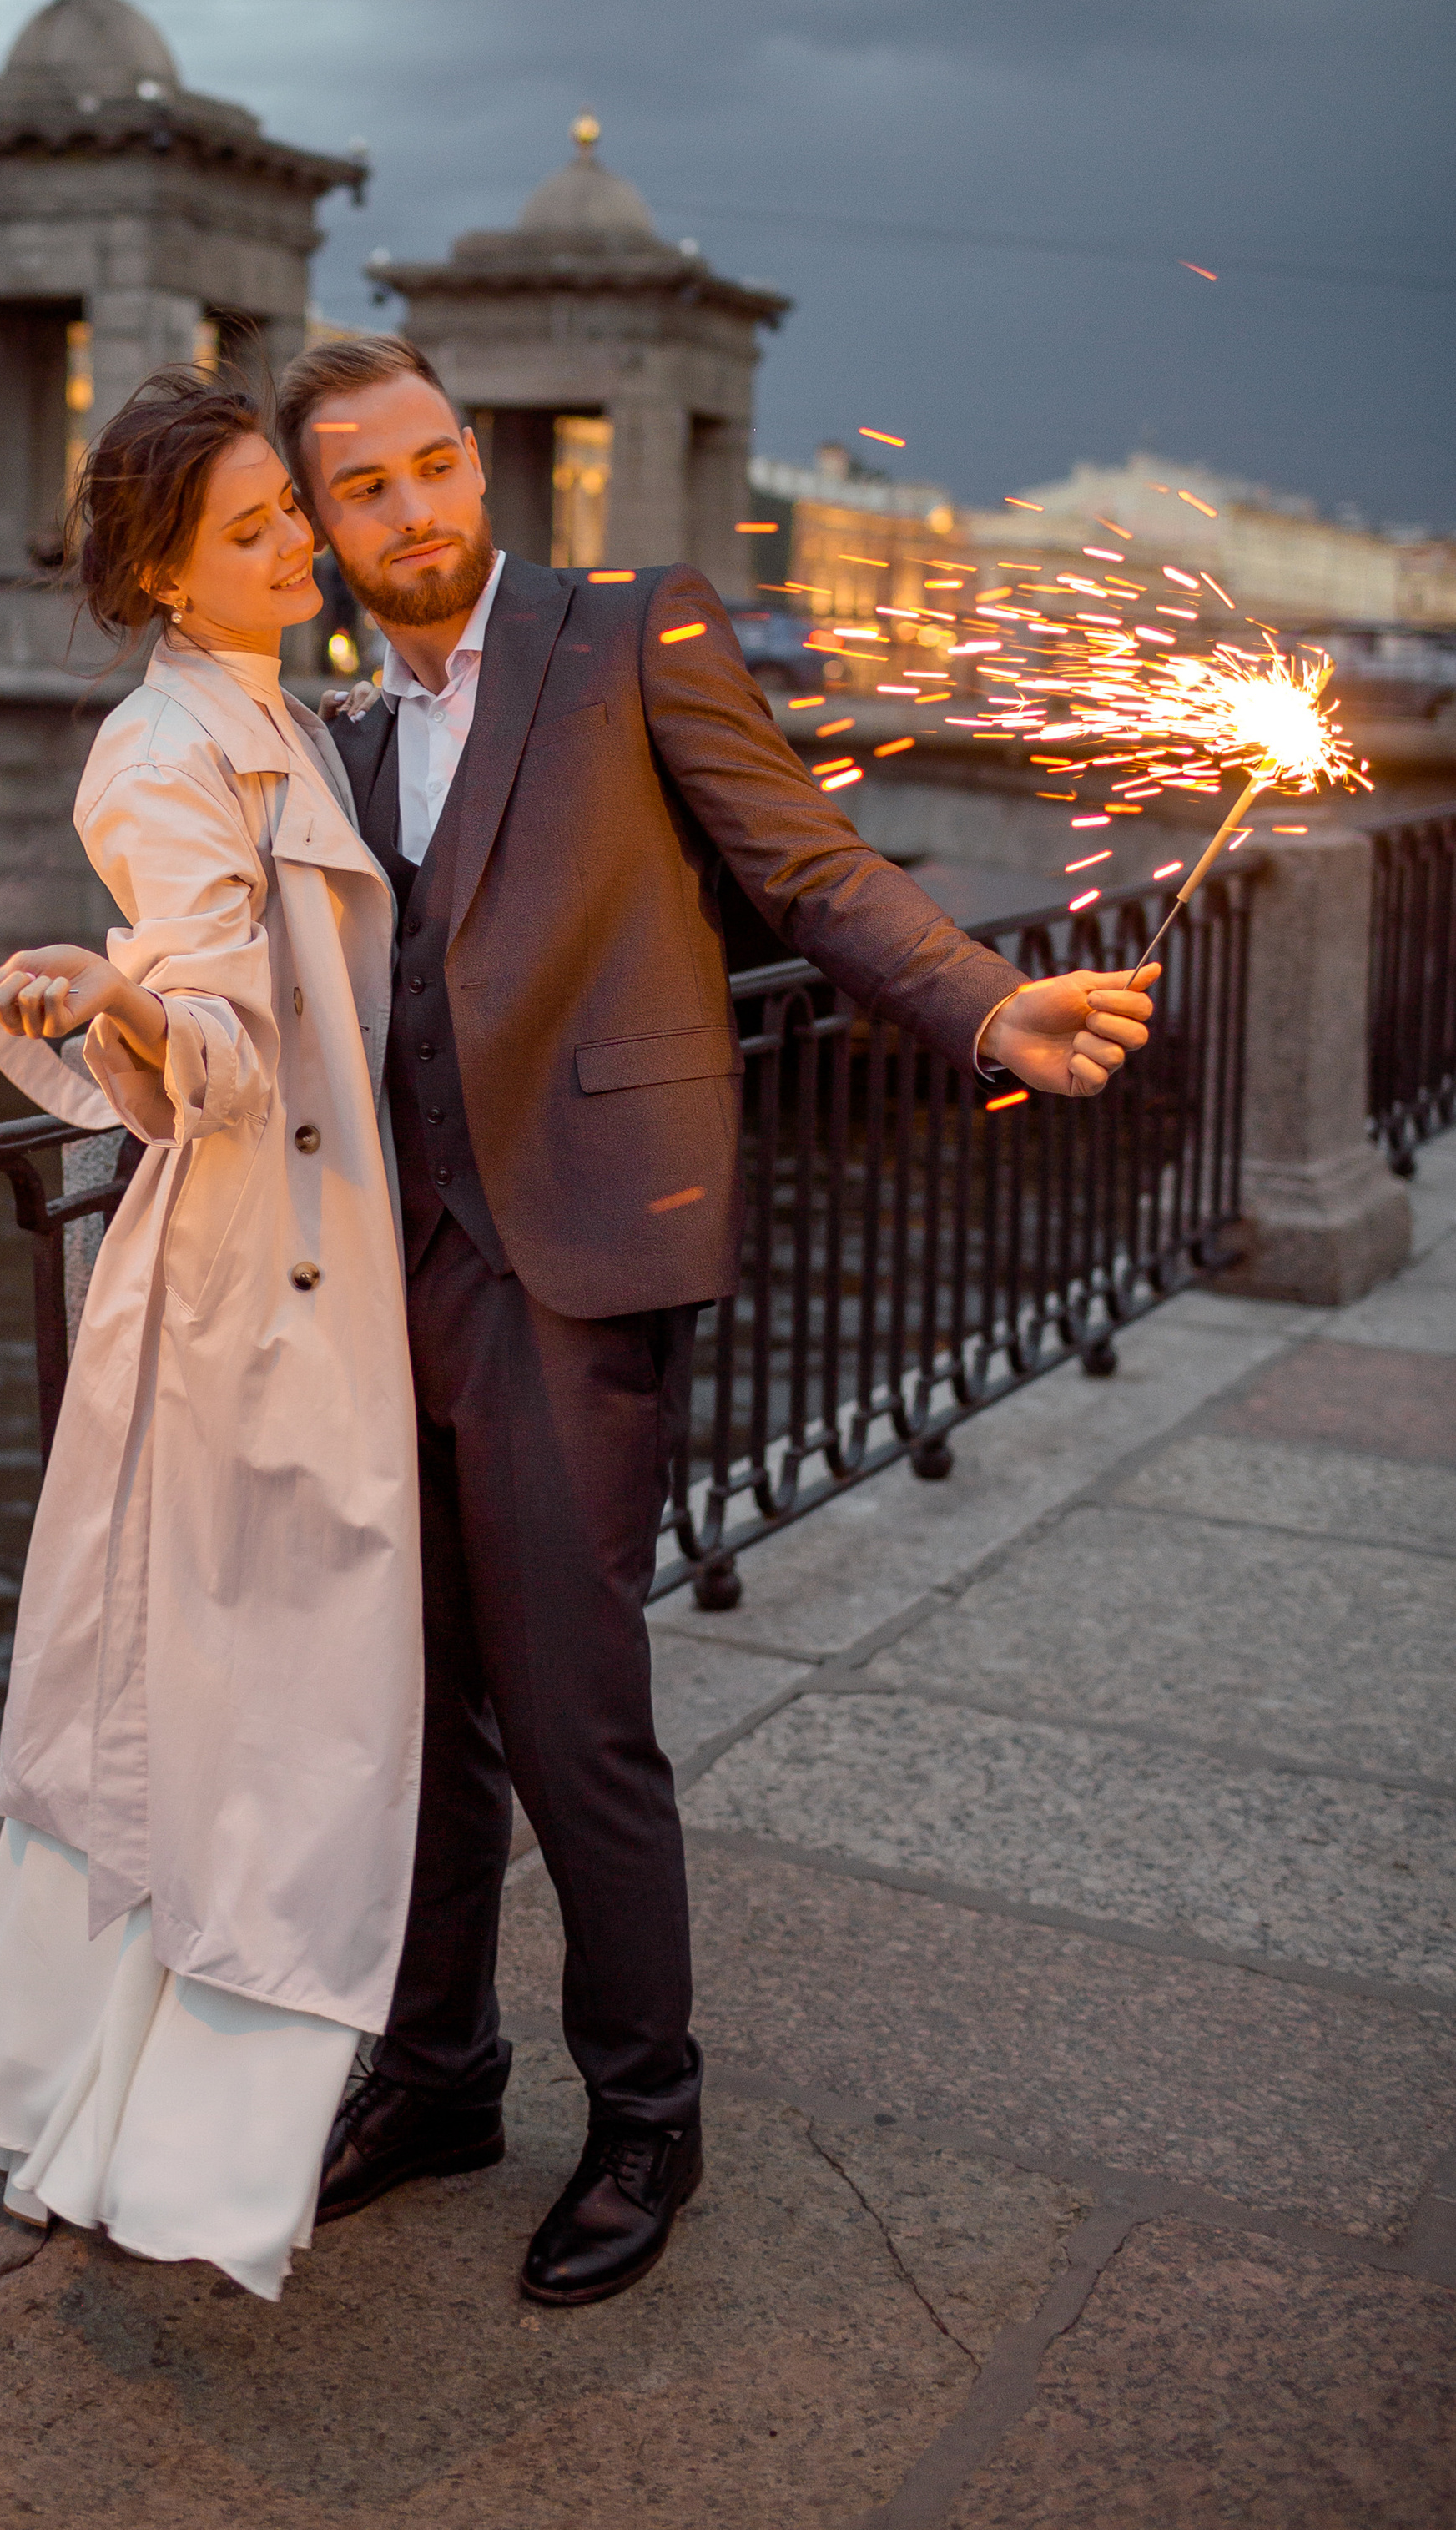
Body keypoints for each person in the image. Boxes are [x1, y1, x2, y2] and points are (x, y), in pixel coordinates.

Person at [277, 335, 1161, 2310]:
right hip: (380, 1272)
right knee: (412, 1709)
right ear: (322, 522)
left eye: (431, 464)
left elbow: (804, 861)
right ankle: (435, 2075)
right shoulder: (336, 728)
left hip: (572, 1256)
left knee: (568, 1705)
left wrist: (979, 1002)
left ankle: (644, 2112)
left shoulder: (627, 629)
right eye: (364, 486)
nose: (411, 508)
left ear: (474, 462)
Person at [0, 365, 421, 2302]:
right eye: (253, 527)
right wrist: (129, 1006)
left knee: (238, 1723)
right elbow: (218, 1044)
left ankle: (118, 2130)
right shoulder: (159, 749)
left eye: (289, 510)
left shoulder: (271, 708)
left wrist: (131, 999)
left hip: (296, 1258)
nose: (301, 542)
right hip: (255, 1288)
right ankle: (168, 2156)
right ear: (158, 569)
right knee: (263, 1730)